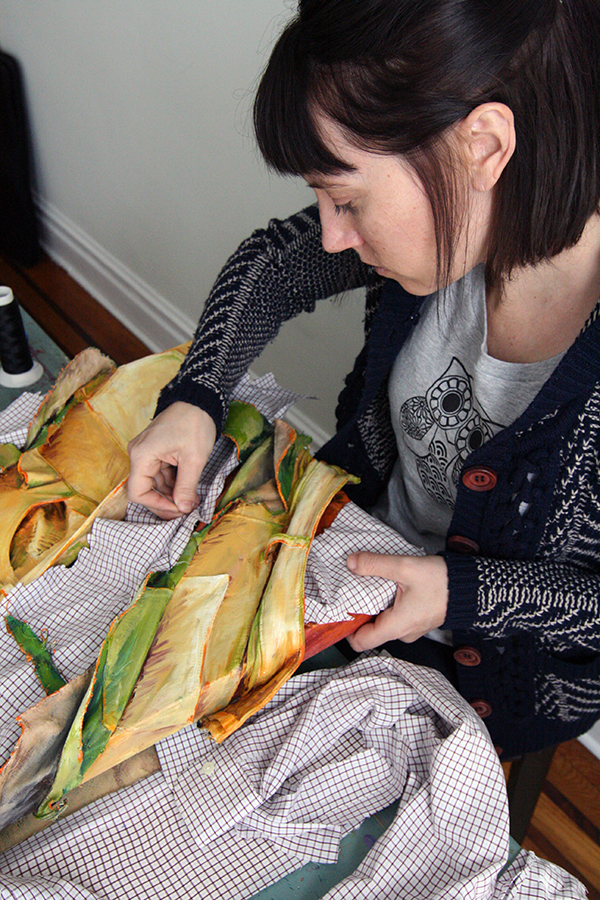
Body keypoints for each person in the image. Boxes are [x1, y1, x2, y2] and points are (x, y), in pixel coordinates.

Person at [127, 0, 600, 759]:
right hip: (343, 565)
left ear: (482, 145)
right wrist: (196, 395)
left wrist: (464, 594)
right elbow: (275, 264)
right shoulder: (445, 242)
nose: (332, 234)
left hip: (488, 692)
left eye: (346, 199)